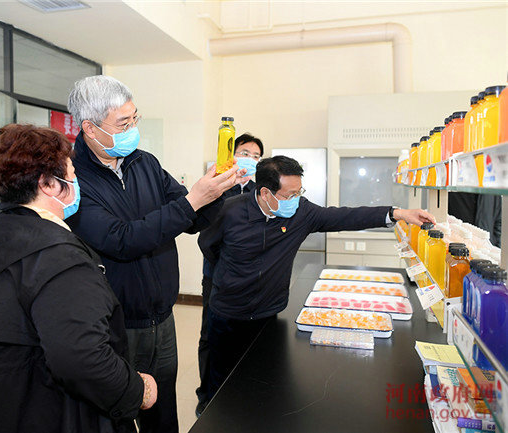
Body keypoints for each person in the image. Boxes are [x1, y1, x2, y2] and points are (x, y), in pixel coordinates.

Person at [0, 124, 156, 433]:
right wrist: (138, 391)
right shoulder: (60, 260)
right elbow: (82, 360)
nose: (76, 182)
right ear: (48, 184)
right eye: (72, 174)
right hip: (53, 414)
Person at [65, 75, 245, 433]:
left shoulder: (143, 162)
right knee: (117, 414)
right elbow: (121, 240)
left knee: (162, 413)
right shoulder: (73, 178)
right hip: (115, 324)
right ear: (89, 128)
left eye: (135, 119)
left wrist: (216, 190)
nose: (133, 129)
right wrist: (193, 200)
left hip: (162, 317)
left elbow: (191, 218)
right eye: (123, 123)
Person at [198, 155, 435, 401]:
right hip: (227, 314)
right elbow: (209, 246)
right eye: (290, 195)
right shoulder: (229, 210)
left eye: (299, 192)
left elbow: (344, 217)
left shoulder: (301, 212)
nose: (296, 200)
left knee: (262, 382)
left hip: (269, 314)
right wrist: (233, 276)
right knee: (221, 384)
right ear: (265, 193)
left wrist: (396, 213)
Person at [195, 133, 263, 417]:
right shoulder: (217, 186)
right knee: (210, 336)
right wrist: (224, 267)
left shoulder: (262, 191)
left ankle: (239, 393)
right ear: (232, 155)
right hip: (216, 276)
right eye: (245, 153)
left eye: (256, 156)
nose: (250, 160)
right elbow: (206, 238)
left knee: (246, 337)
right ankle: (207, 396)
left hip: (251, 280)